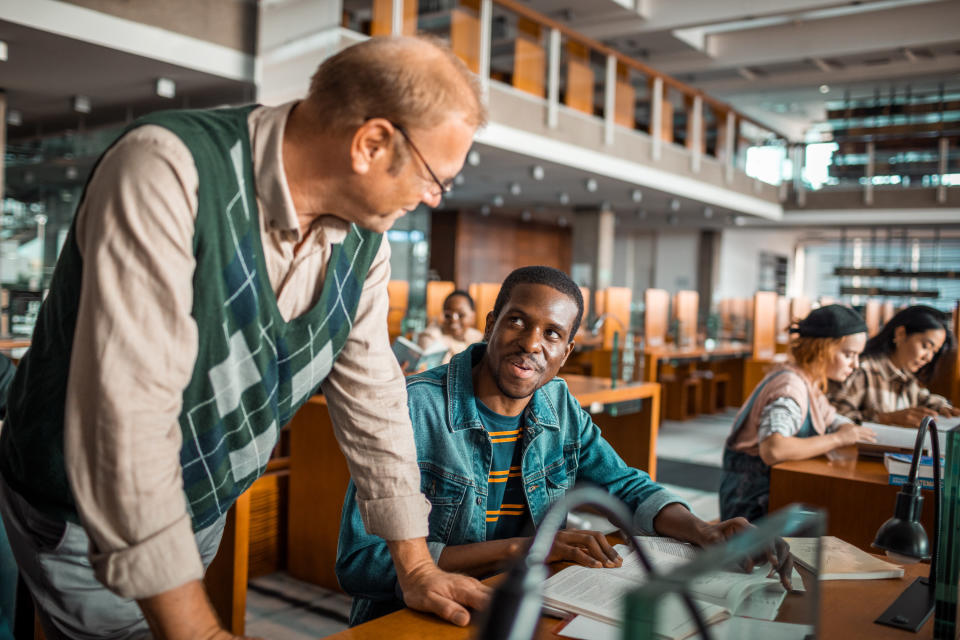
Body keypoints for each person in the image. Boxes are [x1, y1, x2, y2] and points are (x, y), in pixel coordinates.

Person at [0, 36, 490, 639]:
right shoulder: (166, 169)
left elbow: (374, 398)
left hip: (202, 504)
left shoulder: (366, 239)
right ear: (372, 144)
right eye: (433, 177)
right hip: (79, 513)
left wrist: (416, 564)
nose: (429, 198)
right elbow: (125, 428)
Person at [336, 266, 792, 626]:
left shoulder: (558, 405)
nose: (532, 343)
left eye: (552, 333)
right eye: (517, 321)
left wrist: (701, 530)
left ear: (567, 351)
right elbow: (360, 564)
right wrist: (524, 549)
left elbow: (623, 485)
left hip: (525, 608)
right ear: (491, 324)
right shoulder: (414, 408)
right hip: (417, 619)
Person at [720, 305, 877, 522]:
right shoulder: (790, 387)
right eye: (849, 354)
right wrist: (838, 438)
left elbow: (831, 417)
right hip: (751, 510)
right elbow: (773, 449)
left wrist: (845, 427)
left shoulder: (808, 382)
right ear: (821, 349)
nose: (855, 364)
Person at [829, 305, 960, 427]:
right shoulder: (862, 370)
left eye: (934, 352)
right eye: (926, 346)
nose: (929, 357)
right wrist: (886, 418)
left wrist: (942, 408)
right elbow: (834, 419)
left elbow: (923, 398)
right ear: (901, 334)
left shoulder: (905, 377)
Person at [417, 289, 483, 364]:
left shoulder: (478, 337)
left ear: (473, 316)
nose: (453, 320)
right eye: (447, 315)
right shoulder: (430, 337)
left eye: (461, 315)